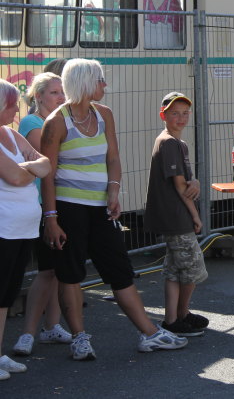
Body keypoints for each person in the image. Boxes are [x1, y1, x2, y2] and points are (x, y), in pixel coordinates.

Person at [40, 59, 187, 361]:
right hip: (68, 208)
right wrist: (51, 218)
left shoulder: (104, 114)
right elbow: (47, 175)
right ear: (84, 82)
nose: (105, 85)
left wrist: (114, 190)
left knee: (119, 269)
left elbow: (114, 158)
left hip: (100, 208)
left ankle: (149, 333)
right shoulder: (56, 122)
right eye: (100, 80)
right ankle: (80, 338)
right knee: (70, 273)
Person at [13, 73, 71, 356]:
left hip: (60, 201)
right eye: (54, 92)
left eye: (62, 92)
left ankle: (52, 326)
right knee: (47, 269)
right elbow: (51, 158)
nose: (61, 97)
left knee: (58, 269)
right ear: (38, 96)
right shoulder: (32, 123)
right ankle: (27, 334)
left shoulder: (58, 121)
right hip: (41, 205)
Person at [144, 92, 209, 337]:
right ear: (163, 115)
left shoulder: (177, 143)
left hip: (172, 215)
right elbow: (180, 185)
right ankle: (182, 313)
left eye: (185, 113)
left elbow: (187, 181)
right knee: (193, 267)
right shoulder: (169, 143)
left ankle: (172, 319)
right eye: (174, 113)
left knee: (174, 269)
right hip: (176, 216)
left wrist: (196, 182)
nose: (181, 118)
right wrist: (195, 215)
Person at [0, 79, 51, 380]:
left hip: (22, 228)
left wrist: (27, 168)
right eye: (11, 105)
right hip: (4, 228)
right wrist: (30, 169)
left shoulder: (10, 134)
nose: (16, 111)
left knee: (6, 294)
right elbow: (17, 178)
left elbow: (45, 164)